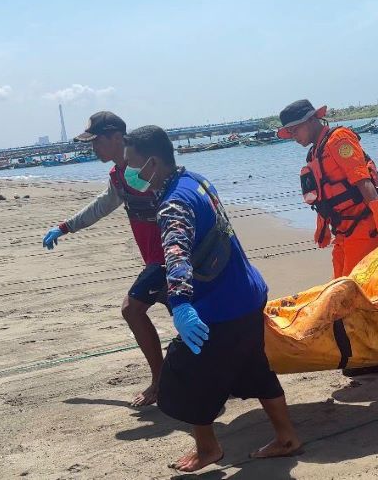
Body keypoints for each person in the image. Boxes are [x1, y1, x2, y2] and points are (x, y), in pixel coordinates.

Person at [123, 125, 301, 472]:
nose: (129, 171)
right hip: (248, 292)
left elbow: (175, 254)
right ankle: (286, 436)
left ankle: (208, 448)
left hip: (219, 307)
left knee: (184, 376)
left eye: (133, 163)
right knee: (255, 366)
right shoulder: (197, 180)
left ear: (153, 162)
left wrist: (183, 304)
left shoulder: (173, 203)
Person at [278, 99, 378, 376]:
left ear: (310, 121)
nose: (293, 137)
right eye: (289, 133)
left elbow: (362, 180)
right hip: (344, 233)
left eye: (294, 130)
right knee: (344, 295)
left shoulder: (338, 140)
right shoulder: (314, 153)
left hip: (363, 229)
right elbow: (324, 199)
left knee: (356, 294)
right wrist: (323, 230)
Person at [40, 111, 167, 407]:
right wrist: (65, 226)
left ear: (116, 138)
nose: (92, 147)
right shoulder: (120, 175)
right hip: (156, 260)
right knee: (191, 318)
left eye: (96, 141)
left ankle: (162, 382)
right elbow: (103, 205)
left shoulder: (146, 171)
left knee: (132, 310)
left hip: (172, 258)